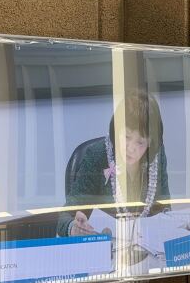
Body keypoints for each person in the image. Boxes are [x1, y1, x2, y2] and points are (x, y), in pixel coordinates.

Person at [57, 91, 170, 237]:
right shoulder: (97, 156)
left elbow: (165, 210)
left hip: (146, 250)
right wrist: (74, 228)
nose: (131, 148)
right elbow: (65, 217)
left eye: (140, 142)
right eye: (127, 136)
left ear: (150, 142)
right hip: (105, 249)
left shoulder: (157, 156)